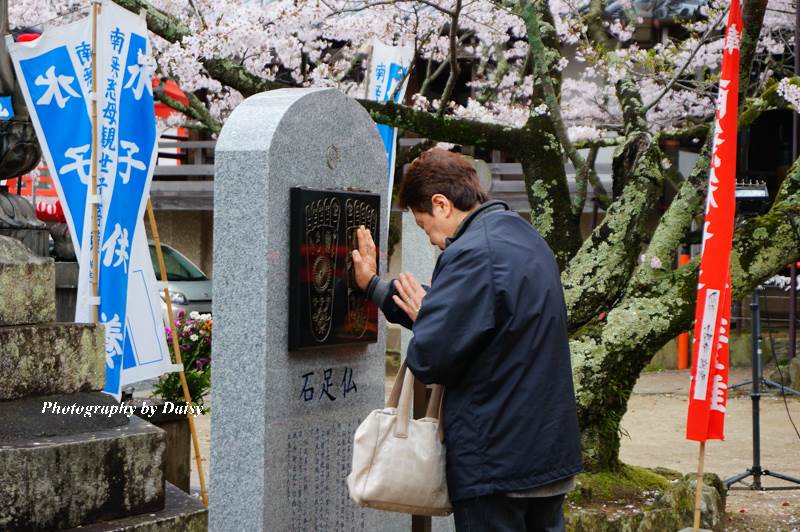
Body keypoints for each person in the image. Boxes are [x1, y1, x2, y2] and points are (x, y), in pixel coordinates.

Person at [351, 148, 582, 532]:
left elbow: (430, 357)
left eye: (425, 227)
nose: (431, 241)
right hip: (546, 453)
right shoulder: (523, 238)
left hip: (496, 458)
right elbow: (466, 317)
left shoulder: (471, 254)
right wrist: (375, 287)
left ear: (441, 204)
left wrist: (428, 320)